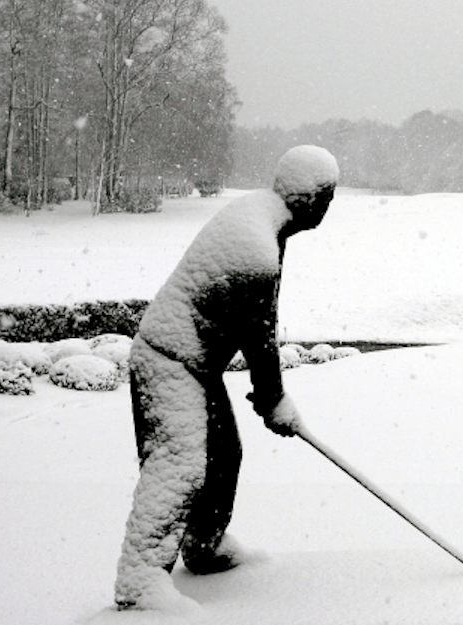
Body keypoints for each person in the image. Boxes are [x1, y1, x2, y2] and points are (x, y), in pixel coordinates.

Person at [114, 145, 339, 611]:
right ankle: (139, 585)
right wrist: (273, 399)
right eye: (328, 198)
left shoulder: (261, 217)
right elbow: (260, 339)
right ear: (312, 199)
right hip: (169, 360)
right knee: (179, 467)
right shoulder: (257, 250)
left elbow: (255, 328)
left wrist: (272, 397)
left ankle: (202, 546)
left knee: (224, 457)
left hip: (194, 364)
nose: (327, 209)